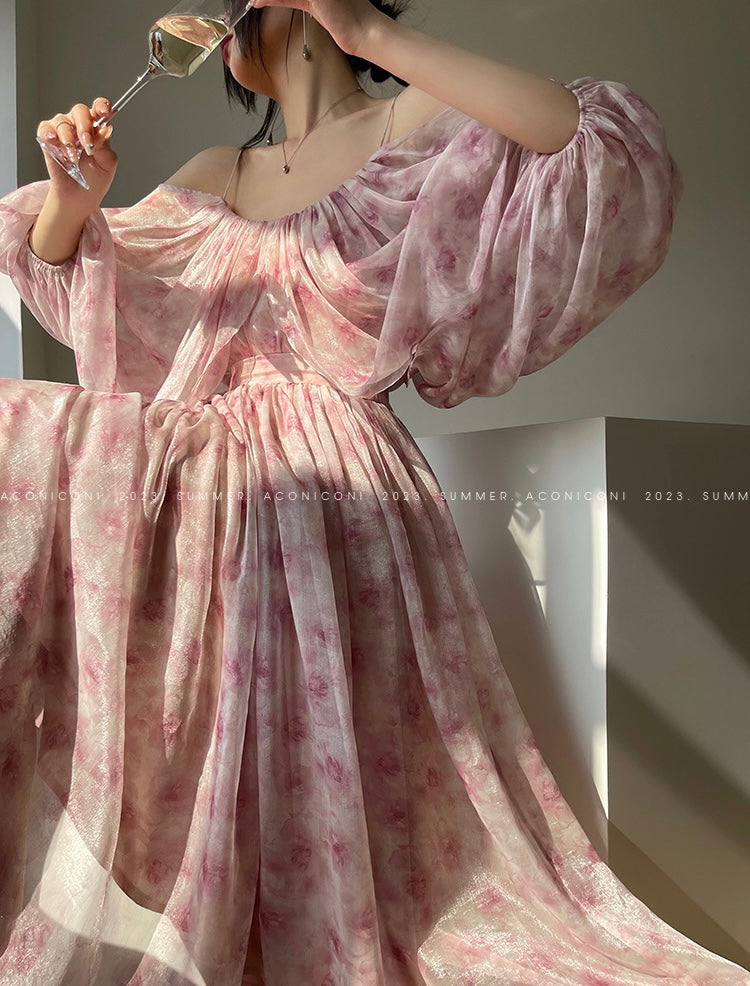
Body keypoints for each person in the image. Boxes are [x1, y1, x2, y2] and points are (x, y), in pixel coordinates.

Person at [0, 1, 747, 984]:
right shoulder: (218, 175)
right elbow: (81, 293)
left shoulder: (407, 128)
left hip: (337, 490)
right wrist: (74, 198)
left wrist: (373, 38)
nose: (218, 25)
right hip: (210, 485)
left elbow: (592, 144)